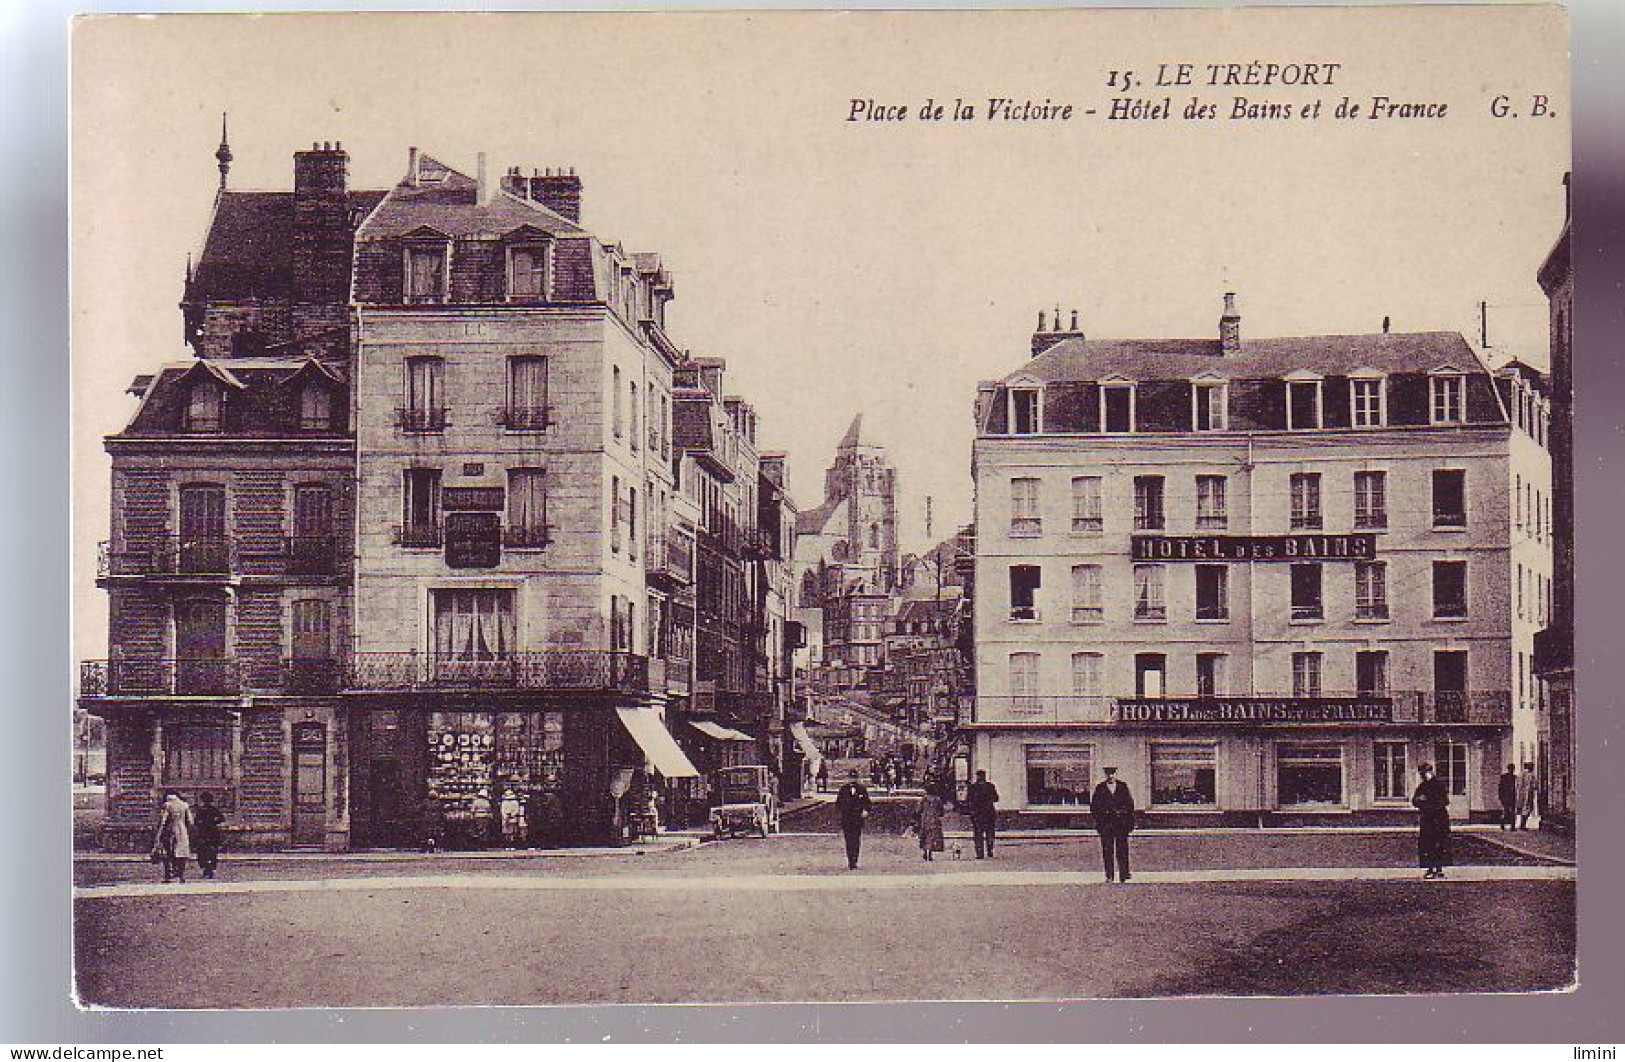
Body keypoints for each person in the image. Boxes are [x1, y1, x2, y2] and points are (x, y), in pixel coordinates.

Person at [1089, 767, 1136, 883]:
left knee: (1122, 850)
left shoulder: (1122, 787)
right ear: (1105, 775)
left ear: (1116, 774)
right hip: (1106, 825)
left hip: (1121, 824)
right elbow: (1094, 807)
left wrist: (1127, 819)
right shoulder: (1100, 788)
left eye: (1113, 774)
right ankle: (1109, 875)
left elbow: (1130, 805)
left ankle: (1124, 874)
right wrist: (1101, 819)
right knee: (1107, 850)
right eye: (1108, 774)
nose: (1110, 776)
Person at [1412, 762, 1452, 879]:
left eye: (1425, 773)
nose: (1423, 776)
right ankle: (1430, 869)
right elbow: (1415, 800)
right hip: (1427, 819)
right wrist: (1419, 800)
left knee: (1439, 843)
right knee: (1427, 844)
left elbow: (1444, 801)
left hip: (1439, 819)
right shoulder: (1422, 786)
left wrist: (1428, 803)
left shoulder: (1439, 785)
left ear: (1430, 772)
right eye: (1422, 774)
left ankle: (1439, 869)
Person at [152, 791, 194, 884]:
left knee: (167, 854)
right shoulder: (185, 805)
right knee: (181, 854)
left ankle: (168, 876)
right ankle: (181, 876)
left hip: (169, 832)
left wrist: (158, 834)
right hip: (182, 831)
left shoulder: (167, 805)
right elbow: (190, 821)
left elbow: (163, 821)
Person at [835, 771, 872, 869]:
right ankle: (850, 860)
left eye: (854, 778)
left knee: (856, 839)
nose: (853, 779)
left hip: (857, 819)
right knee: (848, 839)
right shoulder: (843, 790)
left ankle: (855, 860)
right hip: (846, 818)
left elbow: (867, 803)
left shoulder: (862, 789)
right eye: (851, 778)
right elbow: (838, 803)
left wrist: (865, 811)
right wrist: (843, 811)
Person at [191, 791, 225, 880]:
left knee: (203, 852)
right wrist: (213, 823)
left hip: (203, 833)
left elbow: (196, 822)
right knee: (212, 852)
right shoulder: (213, 809)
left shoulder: (201, 810)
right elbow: (222, 818)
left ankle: (206, 869)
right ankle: (210, 869)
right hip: (213, 833)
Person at [966, 769, 999, 859]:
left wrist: (972, 811)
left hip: (978, 814)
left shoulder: (972, 788)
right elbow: (996, 798)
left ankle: (980, 853)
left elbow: (968, 800)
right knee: (990, 833)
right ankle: (989, 850)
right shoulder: (990, 786)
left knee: (978, 834)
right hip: (989, 814)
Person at [915, 787, 946, 861]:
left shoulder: (923, 799)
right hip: (935, 820)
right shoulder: (938, 800)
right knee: (932, 837)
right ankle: (930, 852)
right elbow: (942, 811)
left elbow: (918, 810)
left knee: (925, 836)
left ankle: (925, 851)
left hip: (925, 820)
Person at [1516, 761, 1539, 831]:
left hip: (1520, 794)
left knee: (1522, 808)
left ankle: (1521, 824)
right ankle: (1522, 825)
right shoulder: (1531, 775)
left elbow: (1517, 784)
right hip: (1528, 794)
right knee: (1527, 809)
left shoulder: (1520, 774)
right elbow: (1535, 785)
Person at [1497, 763, 1519, 831]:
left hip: (1512, 797)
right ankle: (1503, 824)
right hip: (1506, 797)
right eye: (1511, 769)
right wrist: (1501, 797)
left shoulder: (1514, 777)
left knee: (1512, 812)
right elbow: (1500, 788)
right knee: (1506, 811)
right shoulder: (1504, 777)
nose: (1512, 770)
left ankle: (1512, 826)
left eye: (1513, 769)